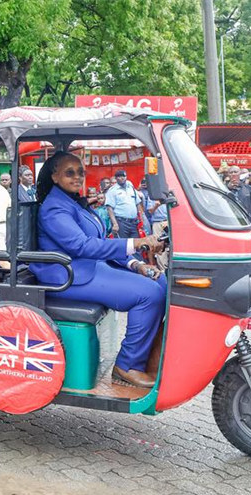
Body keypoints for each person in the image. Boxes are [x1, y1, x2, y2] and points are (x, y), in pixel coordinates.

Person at [32, 151, 166, 388]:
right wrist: (137, 242)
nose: (77, 178)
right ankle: (127, 366)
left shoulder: (73, 201)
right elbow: (81, 245)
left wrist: (135, 263)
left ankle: (152, 358)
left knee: (162, 283)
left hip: (89, 267)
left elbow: (101, 239)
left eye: (81, 173)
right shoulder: (54, 208)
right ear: (54, 177)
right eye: (69, 173)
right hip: (70, 277)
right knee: (149, 294)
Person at [106, 169, 142, 239]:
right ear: (116, 178)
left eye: (124, 176)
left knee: (135, 244)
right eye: (119, 176)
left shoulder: (131, 188)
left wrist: (141, 219)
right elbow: (109, 209)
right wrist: (115, 224)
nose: (122, 178)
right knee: (124, 245)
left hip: (134, 222)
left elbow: (137, 203)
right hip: (121, 222)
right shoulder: (112, 190)